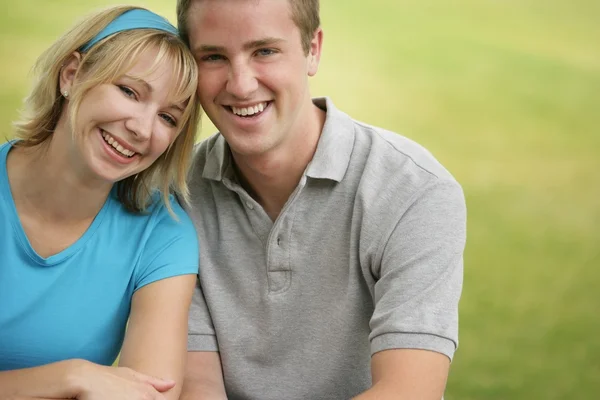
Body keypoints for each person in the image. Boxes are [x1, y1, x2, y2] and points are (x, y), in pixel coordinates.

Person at [177, 0, 466, 399]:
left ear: (313, 49)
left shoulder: (415, 190)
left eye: (264, 51)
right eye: (213, 56)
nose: (240, 84)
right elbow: (197, 390)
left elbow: (408, 391)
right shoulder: (175, 196)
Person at [0, 5, 202, 400]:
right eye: (129, 91)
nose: (142, 129)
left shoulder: (162, 234)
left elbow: (150, 395)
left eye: (167, 118)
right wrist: (69, 378)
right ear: (71, 74)